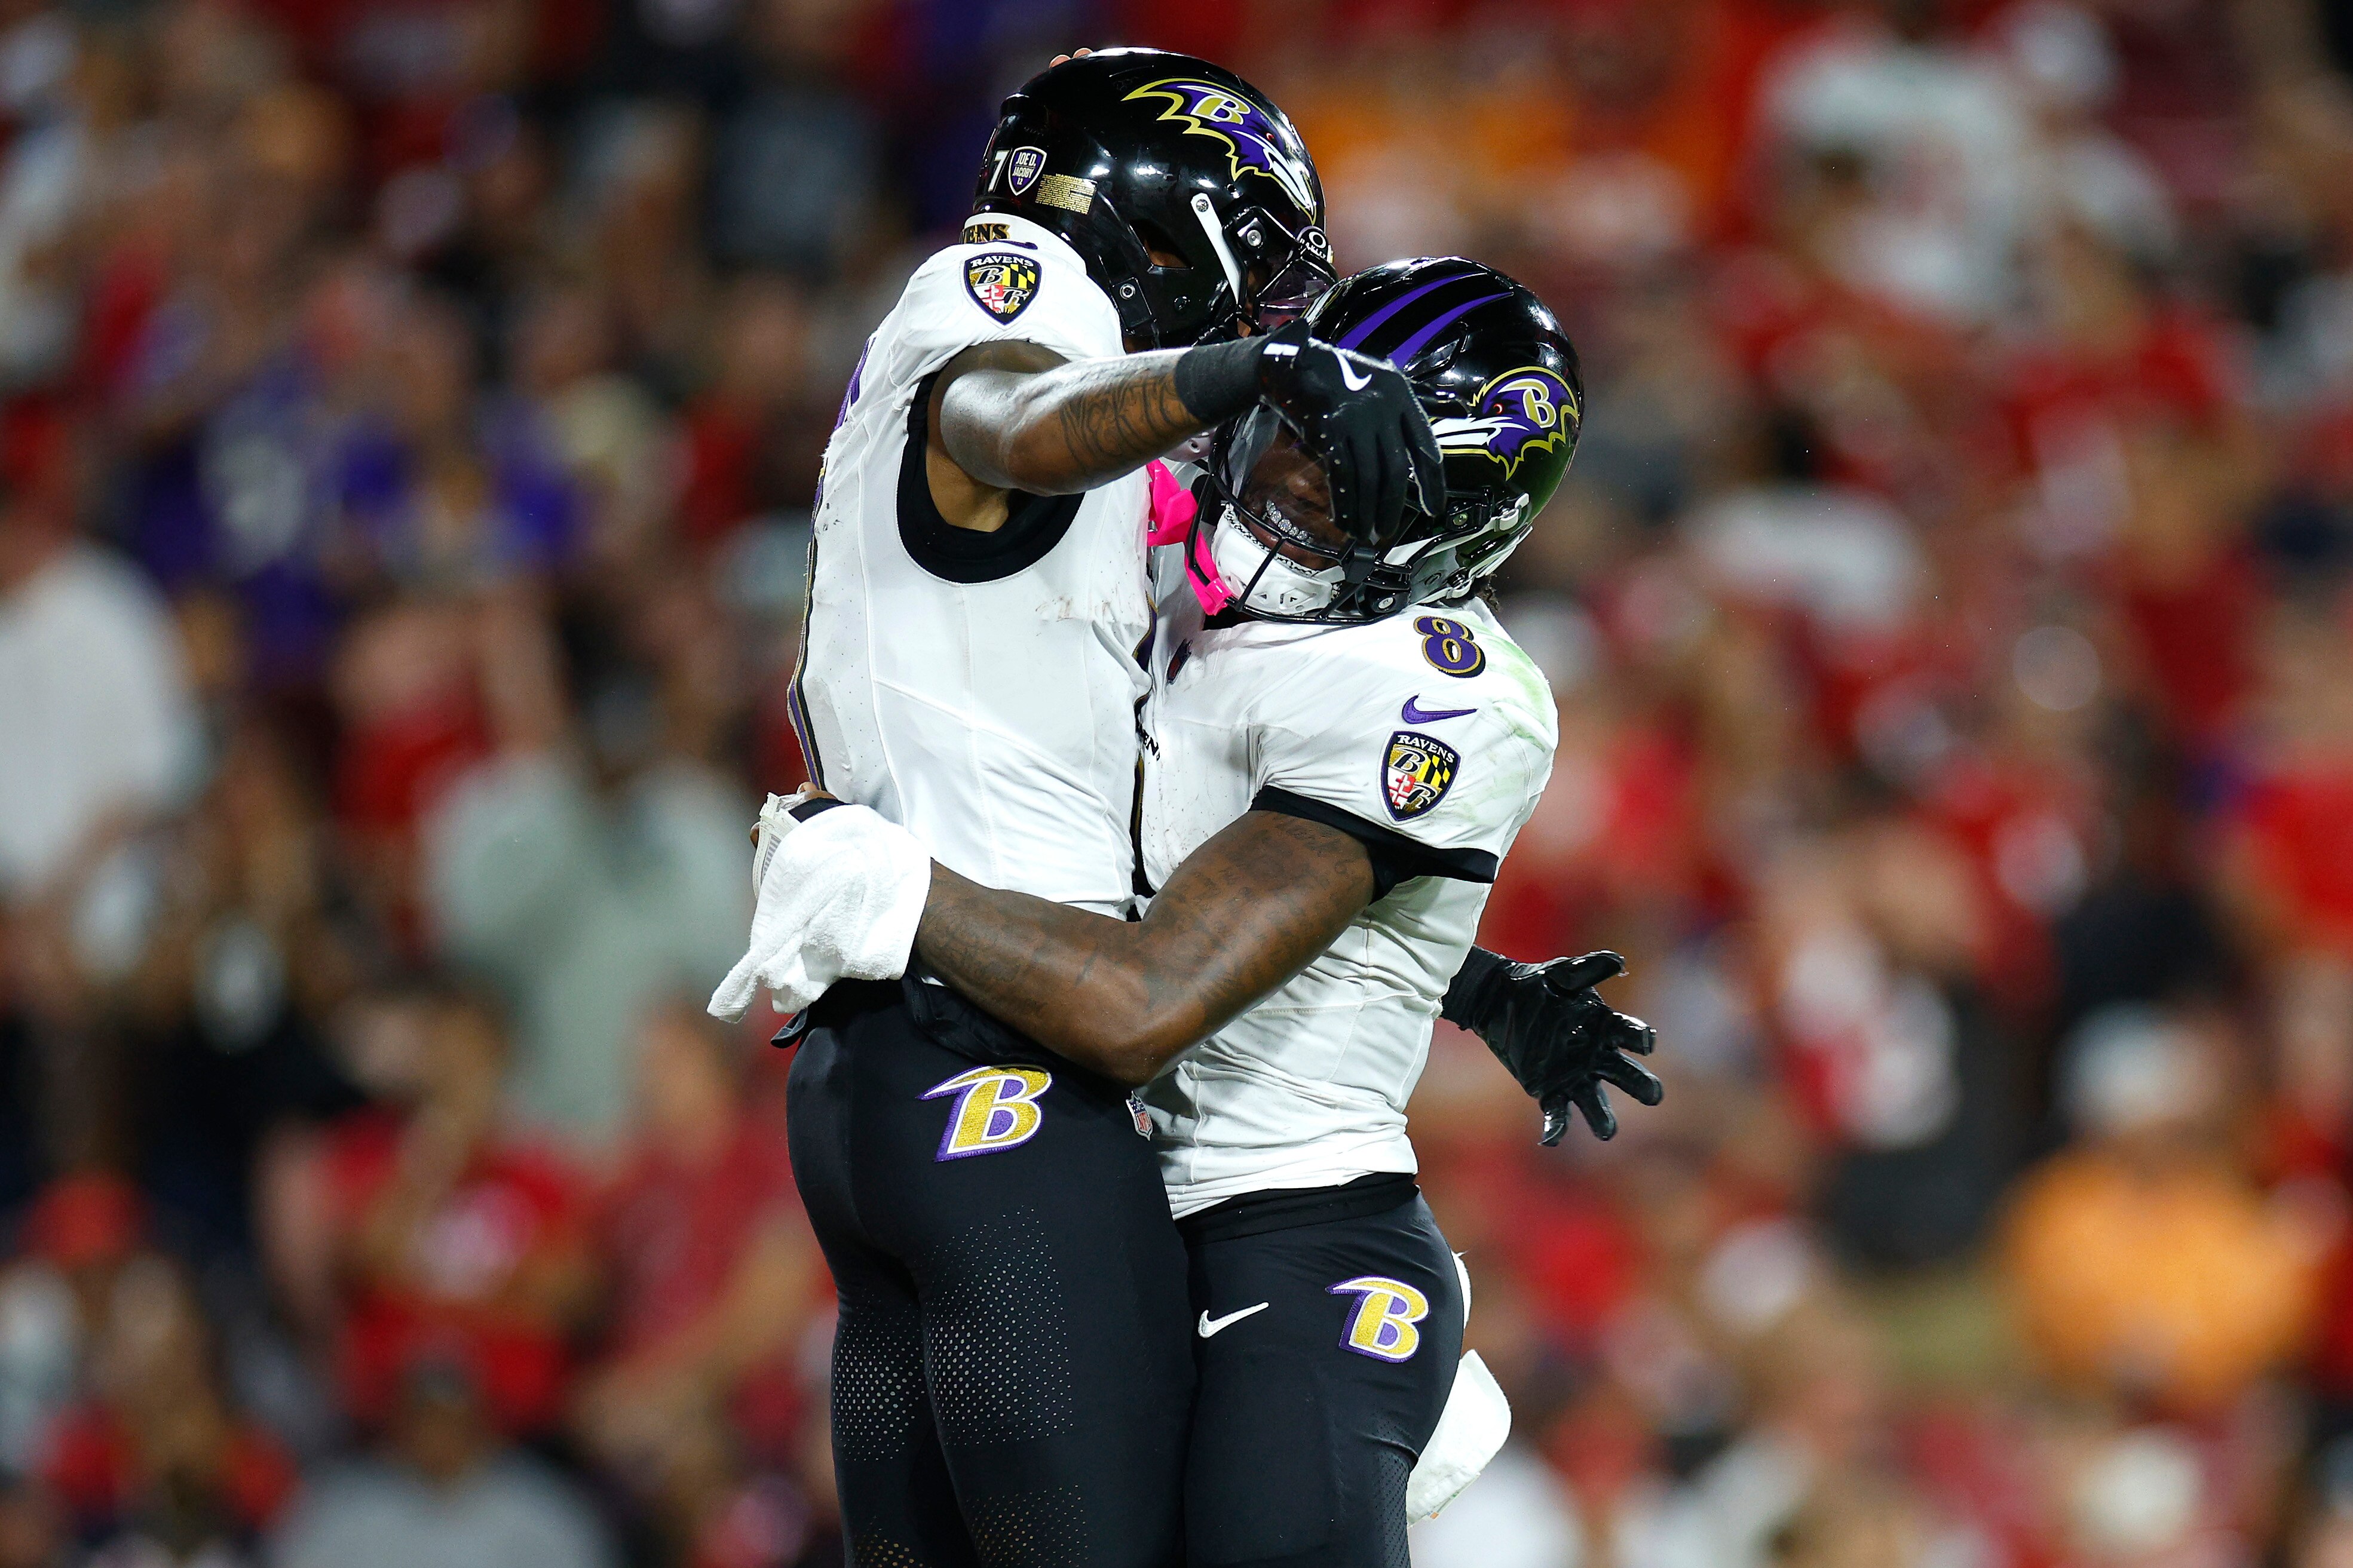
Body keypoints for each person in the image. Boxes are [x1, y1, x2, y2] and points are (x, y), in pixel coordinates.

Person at [731, 257, 1663, 1565]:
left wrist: (885, 882)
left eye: (1348, 483)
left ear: (1458, 520)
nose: (1286, 489)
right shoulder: (1188, 583)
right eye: (1290, 440)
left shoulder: (1441, 688)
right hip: (1115, 1207)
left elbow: (1138, 1004)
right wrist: (1460, 975)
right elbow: (1162, 858)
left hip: (1297, 1249)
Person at [704, 46, 1446, 1568]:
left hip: (885, 1075)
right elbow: (1006, 425)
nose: (1259, 315)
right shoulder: (1016, 288)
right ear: (1174, 220)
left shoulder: (1054, 411)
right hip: (1002, 1060)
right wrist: (1255, 372)